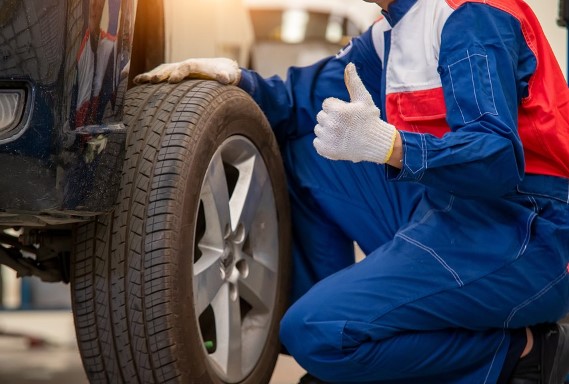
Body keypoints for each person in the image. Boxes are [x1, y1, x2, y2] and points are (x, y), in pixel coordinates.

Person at [134, 0, 569, 382]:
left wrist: (392, 146)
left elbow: (496, 159)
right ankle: (358, 344)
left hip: (528, 229)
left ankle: (523, 353)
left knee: (313, 332)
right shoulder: (392, 29)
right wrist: (234, 80)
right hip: (451, 205)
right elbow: (300, 103)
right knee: (309, 147)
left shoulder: (470, 17)